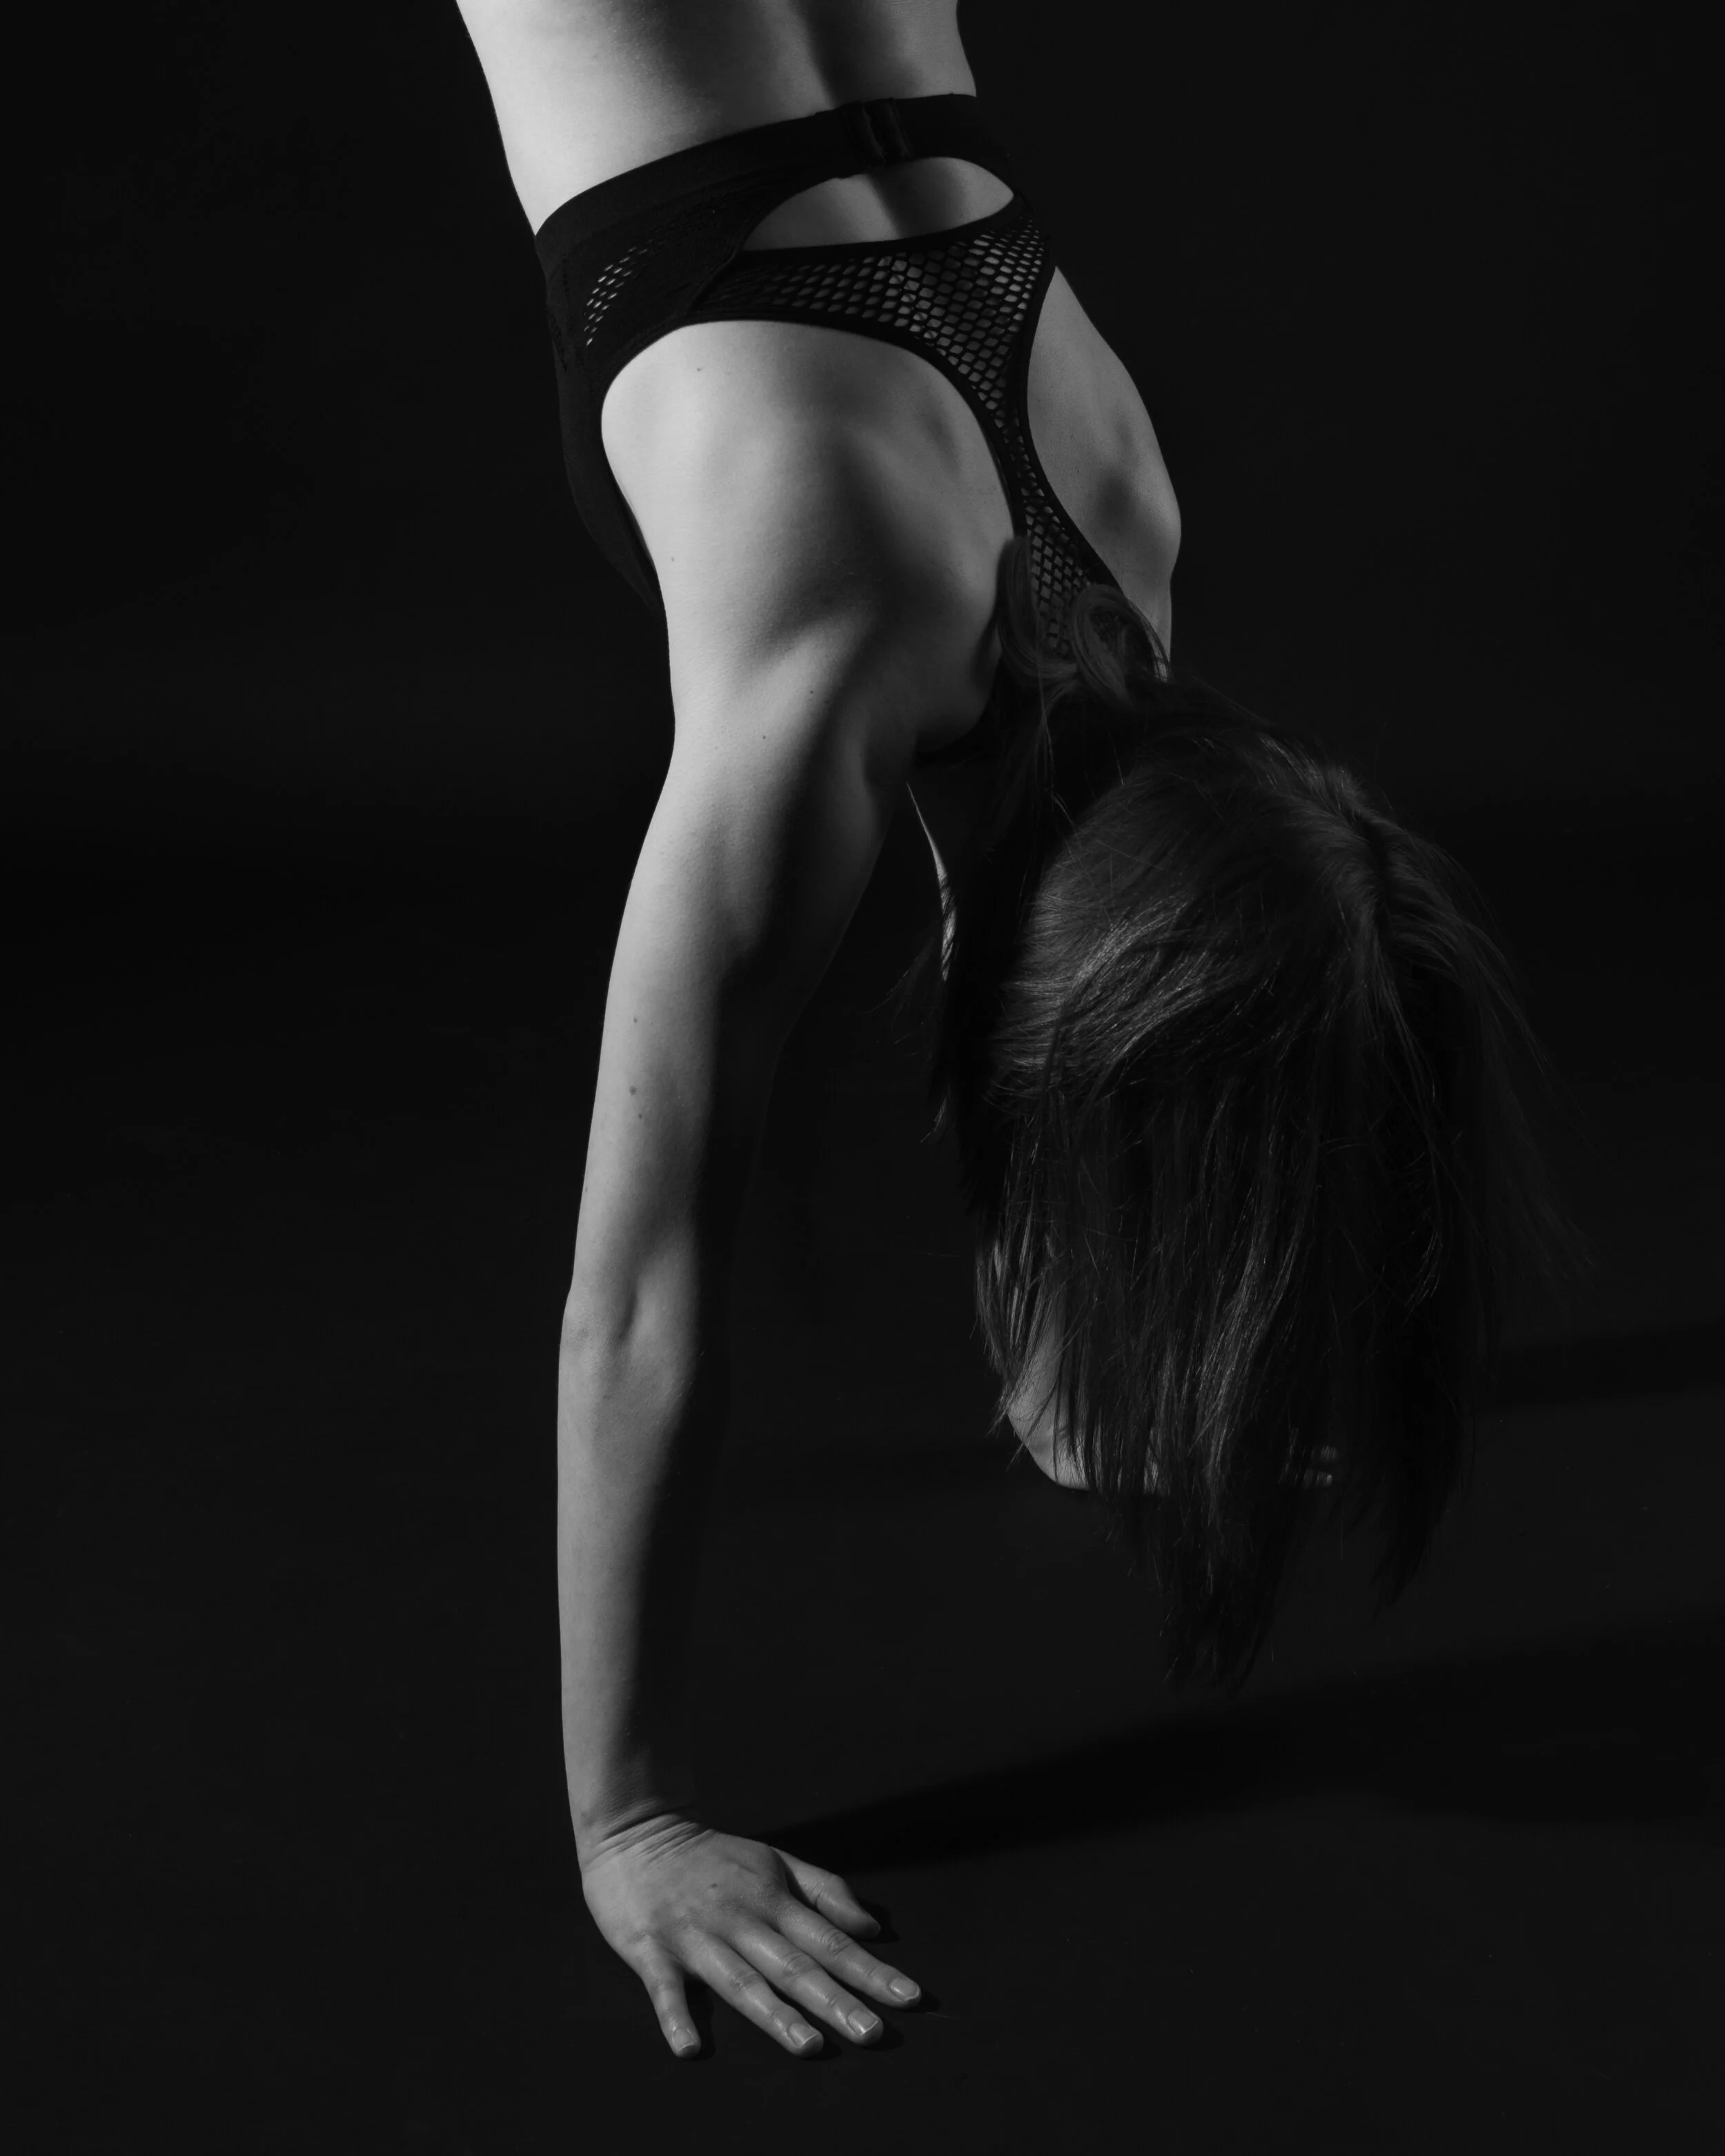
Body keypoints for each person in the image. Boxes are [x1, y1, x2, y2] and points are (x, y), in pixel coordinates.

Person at [452, 0, 1571, 2062]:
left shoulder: (1121, 544)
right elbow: (637, 1287)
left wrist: (1066, 1371)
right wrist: (631, 1815)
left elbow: (1043, 934)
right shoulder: (833, 631)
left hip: (929, 197)